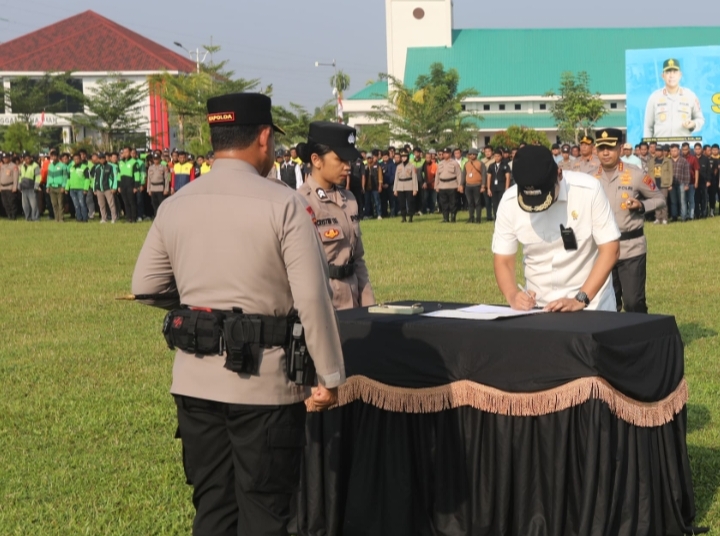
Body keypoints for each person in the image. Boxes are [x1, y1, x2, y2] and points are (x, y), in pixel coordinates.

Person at [132, 93, 344, 536]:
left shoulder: (177, 203)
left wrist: (199, 302)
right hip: (264, 385)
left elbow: (146, 287)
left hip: (194, 383)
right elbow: (312, 298)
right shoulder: (283, 204)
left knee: (212, 508)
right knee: (266, 514)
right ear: (264, 137)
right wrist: (329, 375)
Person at [492, 145, 620, 312]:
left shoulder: (588, 190)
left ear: (559, 174)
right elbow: (503, 260)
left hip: (592, 306)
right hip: (538, 308)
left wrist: (580, 299)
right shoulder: (509, 202)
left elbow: (611, 250)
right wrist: (513, 296)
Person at [297, 121, 376, 309]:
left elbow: (358, 260)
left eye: (349, 161)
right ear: (316, 160)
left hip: (352, 301)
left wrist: (368, 305)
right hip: (323, 304)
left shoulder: (349, 199)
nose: (348, 167)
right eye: (340, 160)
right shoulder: (301, 202)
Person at [594, 128, 665, 313]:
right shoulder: (589, 178)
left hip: (631, 247)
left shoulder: (635, 174)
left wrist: (641, 205)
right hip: (601, 250)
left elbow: (659, 199)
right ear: (596, 150)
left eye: (610, 148)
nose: (605, 153)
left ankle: (642, 330)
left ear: (620, 148)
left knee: (633, 302)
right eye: (601, 148)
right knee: (608, 304)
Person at [643, 58, 704, 139]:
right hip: (660, 145)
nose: (671, 76)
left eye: (675, 72)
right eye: (668, 72)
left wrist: (693, 124)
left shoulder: (690, 96)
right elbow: (648, 127)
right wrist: (647, 145)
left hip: (683, 145)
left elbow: (700, 119)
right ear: (663, 76)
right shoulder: (654, 98)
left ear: (680, 75)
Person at [435, 147, 463, 223]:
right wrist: (436, 185)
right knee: (443, 203)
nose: (445, 155)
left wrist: (460, 185)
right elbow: (437, 175)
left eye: (447, 153)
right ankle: (445, 218)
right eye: (444, 153)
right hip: (442, 185)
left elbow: (459, 175)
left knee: (453, 203)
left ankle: (453, 217)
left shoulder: (455, 163)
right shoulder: (440, 163)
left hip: (452, 185)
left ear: (450, 154)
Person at [461, 148, 486, 223]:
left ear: (476, 155)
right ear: (468, 155)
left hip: (477, 185)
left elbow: (484, 175)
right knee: (470, 202)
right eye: (470, 154)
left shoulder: (480, 163)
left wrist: (483, 185)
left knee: (477, 202)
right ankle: (471, 218)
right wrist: (461, 184)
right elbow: (463, 174)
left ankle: (478, 218)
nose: (472, 156)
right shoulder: (466, 164)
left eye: (474, 154)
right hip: (468, 185)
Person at [92, 152, 118, 223]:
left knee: (111, 204)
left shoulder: (110, 166)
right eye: (100, 158)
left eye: (103, 158)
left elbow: (114, 177)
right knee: (101, 205)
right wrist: (94, 188)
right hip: (99, 189)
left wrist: (114, 187)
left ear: (105, 158)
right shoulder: (97, 167)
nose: (101, 160)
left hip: (108, 188)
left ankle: (114, 218)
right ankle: (104, 218)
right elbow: (95, 179)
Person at [393, 150, 419, 223]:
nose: (403, 158)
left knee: (410, 202)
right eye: (402, 157)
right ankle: (403, 217)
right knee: (401, 203)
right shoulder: (398, 166)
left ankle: (410, 216)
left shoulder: (412, 166)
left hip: (409, 185)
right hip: (400, 185)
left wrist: (415, 189)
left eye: (405, 157)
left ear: (407, 157)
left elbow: (414, 178)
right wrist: (395, 189)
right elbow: (396, 178)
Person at [486, 148, 511, 220]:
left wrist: (506, 188)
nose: (497, 158)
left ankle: (503, 217)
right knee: (494, 203)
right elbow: (489, 177)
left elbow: (508, 177)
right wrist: (488, 188)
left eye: (498, 156)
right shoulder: (491, 166)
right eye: (495, 156)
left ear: (501, 156)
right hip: (493, 187)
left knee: (502, 202)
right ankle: (496, 216)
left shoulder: (505, 165)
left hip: (502, 186)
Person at [651, 145, 673, 225]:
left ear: (662, 152)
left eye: (659, 151)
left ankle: (664, 218)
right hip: (654, 184)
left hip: (664, 184)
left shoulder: (667, 161)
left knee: (664, 201)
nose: (657, 152)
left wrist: (670, 184)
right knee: (656, 202)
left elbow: (671, 173)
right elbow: (649, 173)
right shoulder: (652, 161)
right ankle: (657, 218)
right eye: (656, 151)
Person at [67, 153, 91, 222]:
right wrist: (67, 187)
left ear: (80, 159)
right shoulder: (71, 168)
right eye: (74, 159)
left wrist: (86, 188)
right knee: (76, 205)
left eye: (77, 159)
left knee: (82, 204)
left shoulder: (85, 167)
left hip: (81, 189)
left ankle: (85, 218)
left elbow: (87, 179)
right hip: (72, 189)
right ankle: (79, 218)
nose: (76, 160)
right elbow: (69, 178)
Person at [118, 147, 139, 223]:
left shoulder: (134, 162)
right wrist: (119, 186)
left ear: (130, 153)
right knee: (125, 202)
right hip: (123, 185)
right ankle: (128, 218)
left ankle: (134, 218)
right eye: (123, 152)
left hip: (131, 184)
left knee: (132, 202)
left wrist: (136, 186)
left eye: (126, 152)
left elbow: (137, 175)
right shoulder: (120, 162)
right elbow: (119, 175)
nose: (125, 153)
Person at [46, 150, 68, 222]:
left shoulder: (62, 165)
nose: (53, 158)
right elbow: (48, 176)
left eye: (55, 156)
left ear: (58, 157)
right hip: (52, 187)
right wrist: (47, 186)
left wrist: (63, 186)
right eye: (52, 156)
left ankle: (61, 218)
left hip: (59, 186)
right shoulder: (50, 166)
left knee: (60, 203)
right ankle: (56, 218)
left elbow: (65, 177)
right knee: (54, 204)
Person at [146, 151, 170, 217]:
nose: (156, 160)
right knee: (154, 204)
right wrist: (148, 189)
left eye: (157, 159)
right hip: (153, 188)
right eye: (154, 159)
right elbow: (149, 179)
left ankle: (162, 216)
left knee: (161, 204)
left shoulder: (164, 167)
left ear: (159, 159)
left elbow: (167, 178)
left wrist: (166, 189)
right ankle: (156, 216)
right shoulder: (150, 168)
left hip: (160, 188)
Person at [18, 152, 41, 221]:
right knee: (25, 205)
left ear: (31, 158)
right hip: (24, 187)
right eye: (25, 159)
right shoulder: (22, 166)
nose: (27, 160)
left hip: (32, 187)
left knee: (34, 204)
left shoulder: (35, 166)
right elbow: (20, 176)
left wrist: (36, 186)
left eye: (28, 158)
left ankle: (35, 217)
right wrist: (19, 184)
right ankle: (28, 217)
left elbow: (38, 176)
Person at [0, 152, 19, 220]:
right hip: (3, 187)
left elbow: (16, 177)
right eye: (3, 158)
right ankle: (9, 215)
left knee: (11, 202)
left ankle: (13, 215)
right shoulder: (2, 166)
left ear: (9, 158)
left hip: (10, 186)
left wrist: (15, 186)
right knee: (5, 203)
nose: (5, 159)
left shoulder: (13, 166)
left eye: (6, 158)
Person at [364, 152, 383, 219]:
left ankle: (379, 214)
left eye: (370, 158)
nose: (369, 160)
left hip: (375, 186)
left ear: (372, 158)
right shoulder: (365, 166)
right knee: (367, 202)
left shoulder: (377, 166)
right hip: (367, 187)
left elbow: (380, 177)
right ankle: (367, 215)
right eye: (368, 158)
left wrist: (380, 186)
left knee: (377, 201)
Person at [422, 149, 437, 214]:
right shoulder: (423, 165)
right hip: (425, 185)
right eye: (427, 157)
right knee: (425, 199)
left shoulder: (434, 165)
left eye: (429, 157)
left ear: (431, 158)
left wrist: (427, 183)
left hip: (433, 185)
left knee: (433, 199)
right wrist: (424, 183)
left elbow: (435, 177)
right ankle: (424, 210)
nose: (428, 159)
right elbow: (422, 175)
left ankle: (432, 210)